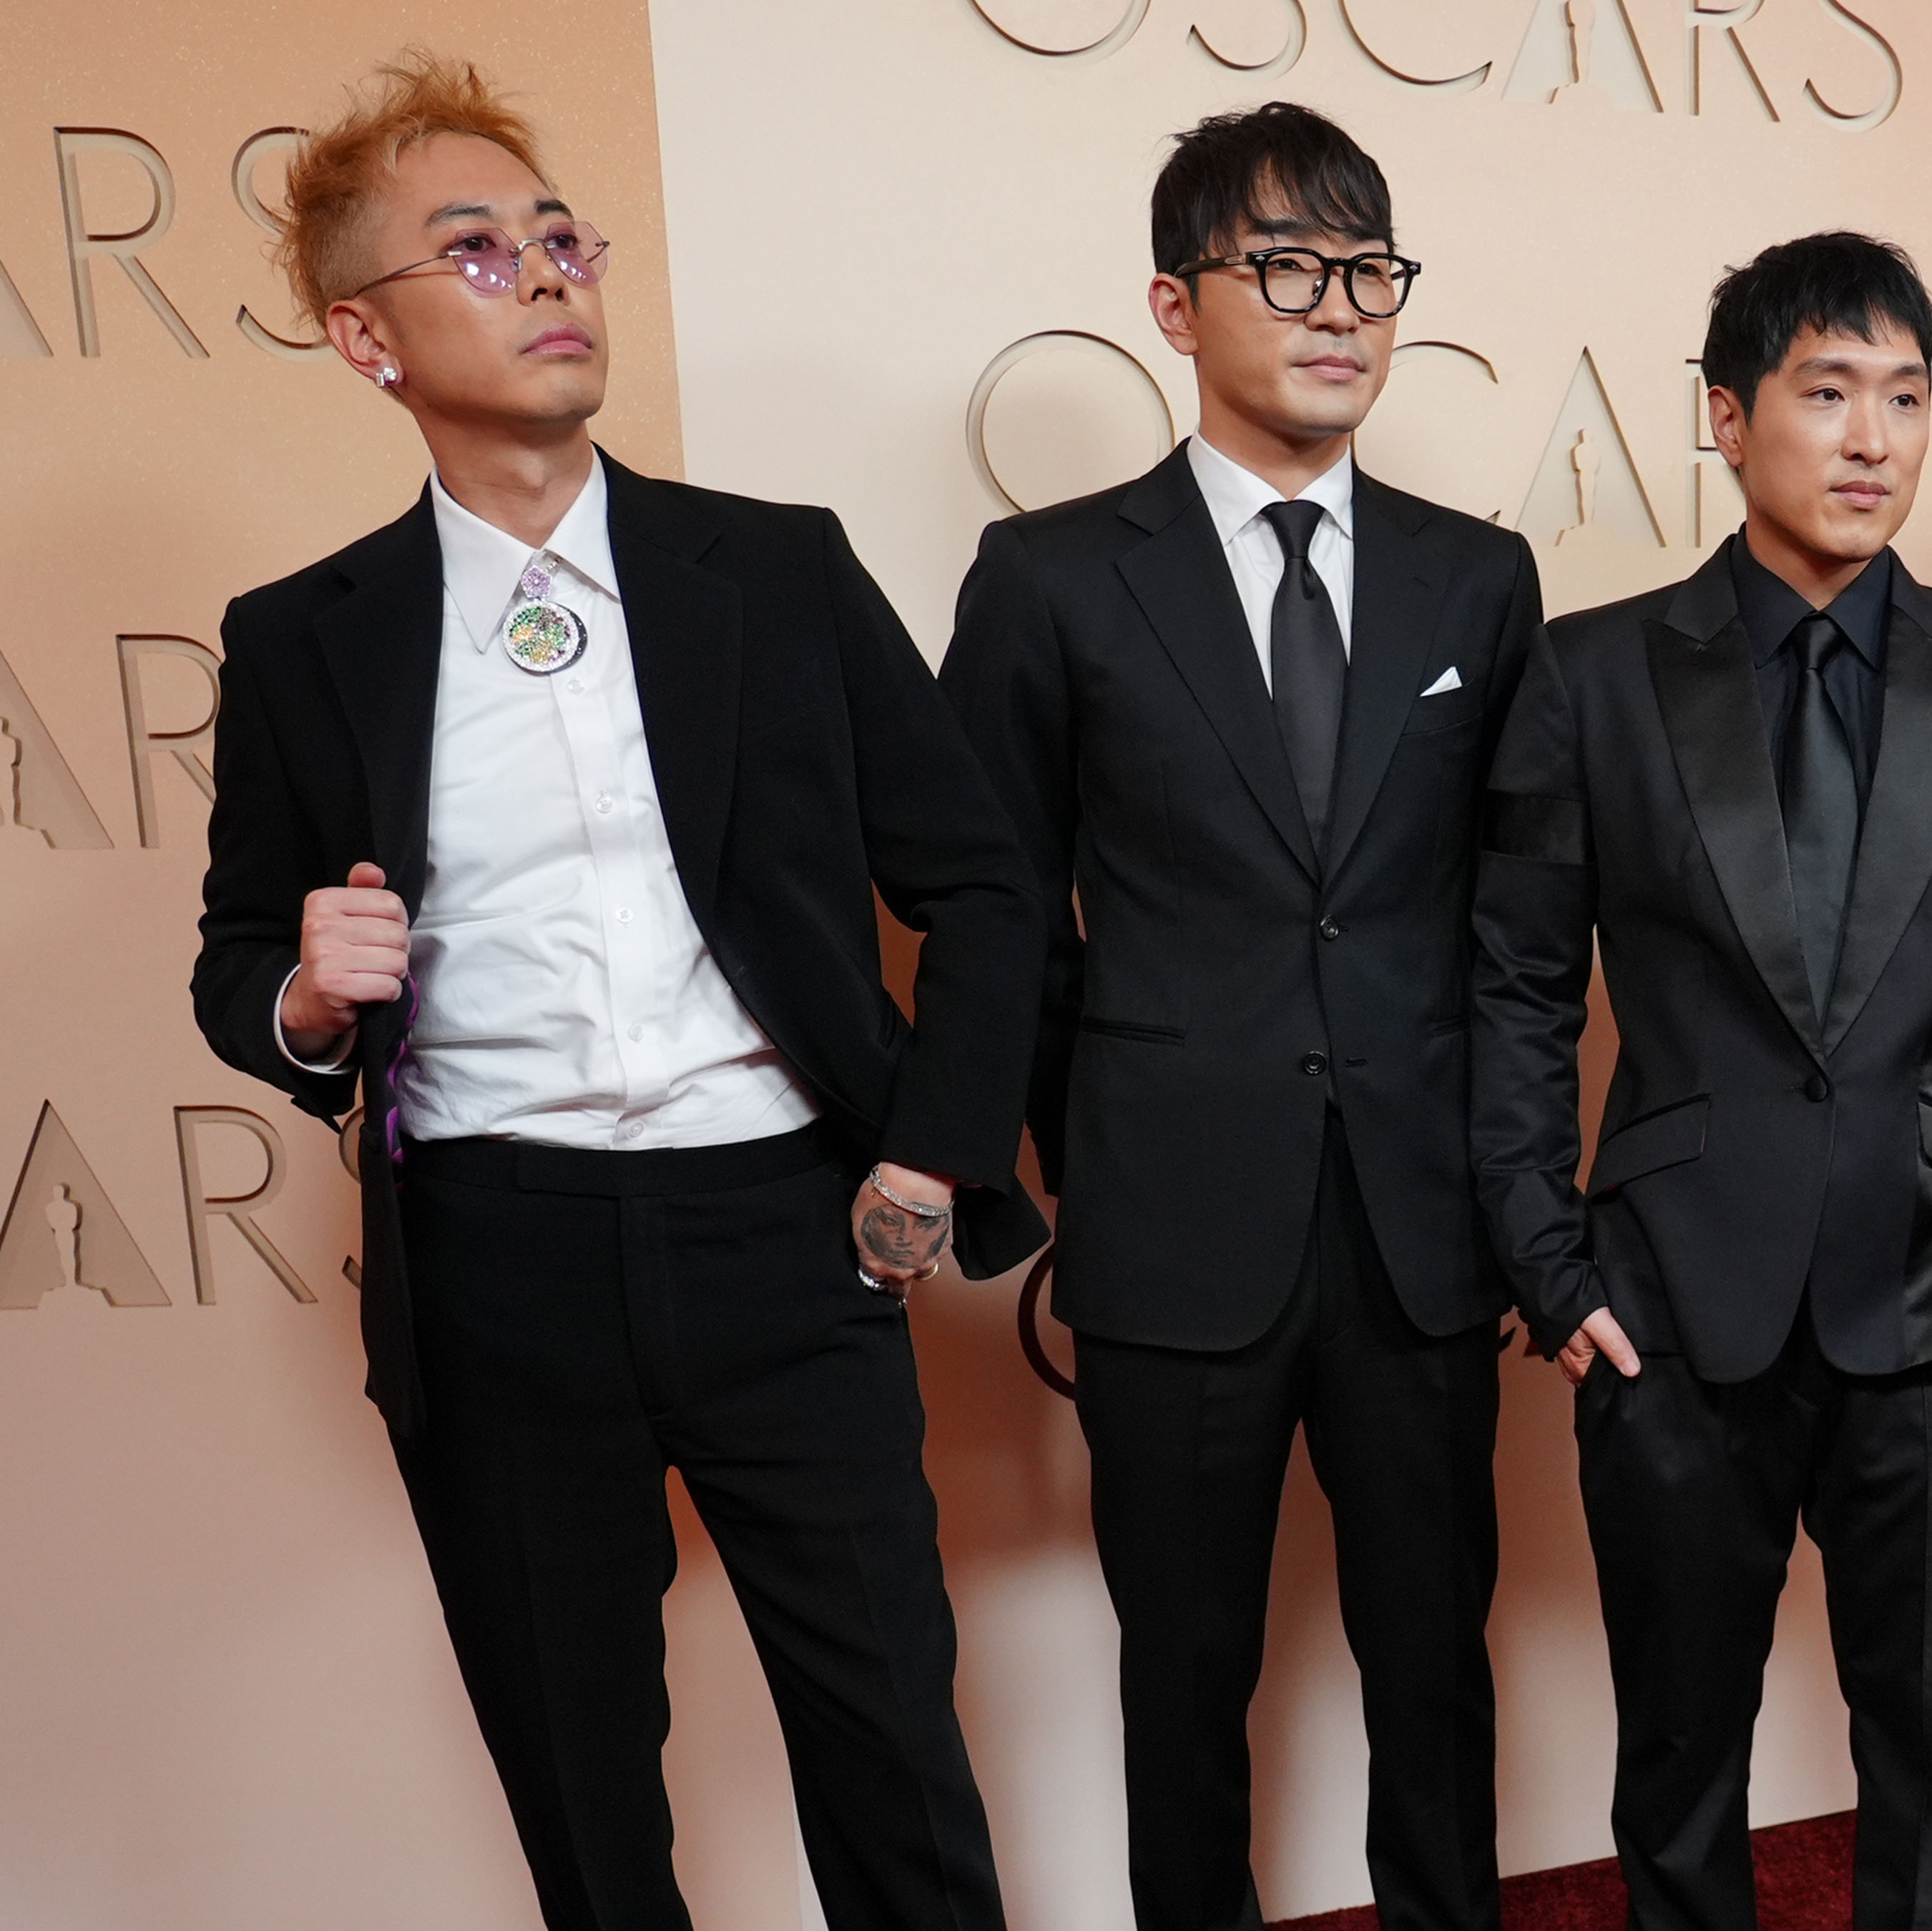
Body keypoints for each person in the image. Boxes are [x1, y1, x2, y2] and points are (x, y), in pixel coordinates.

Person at [187, 56, 1042, 1931]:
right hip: (495, 1256)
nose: (550, 273)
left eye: (559, 236)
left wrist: (928, 1161)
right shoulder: (304, 639)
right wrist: (308, 1003)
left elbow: (983, 886)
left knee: (896, 1759)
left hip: (787, 1233)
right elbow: (242, 959)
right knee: (584, 1800)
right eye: (477, 251)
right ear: (366, 337)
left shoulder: (777, 569)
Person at [1469, 233, 1932, 1931]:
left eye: (1906, 398)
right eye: (1827, 392)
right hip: (1672, 1308)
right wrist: (1550, 1264)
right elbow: (1519, 986)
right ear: (1726, 416)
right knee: (1680, 1764)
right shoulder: (1595, 671)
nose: (1874, 439)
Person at [938, 102, 1537, 1931]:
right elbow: (993, 907)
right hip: (1170, 1224)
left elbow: (1517, 917)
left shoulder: (1475, 577)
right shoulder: (1052, 579)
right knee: (1180, 1683)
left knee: (1436, 1672)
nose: (1337, 307)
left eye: (1366, 269)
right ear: (1174, 305)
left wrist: (1518, 1188)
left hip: (1423, 1230)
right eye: (1284, 266)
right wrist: (1082, 1150)